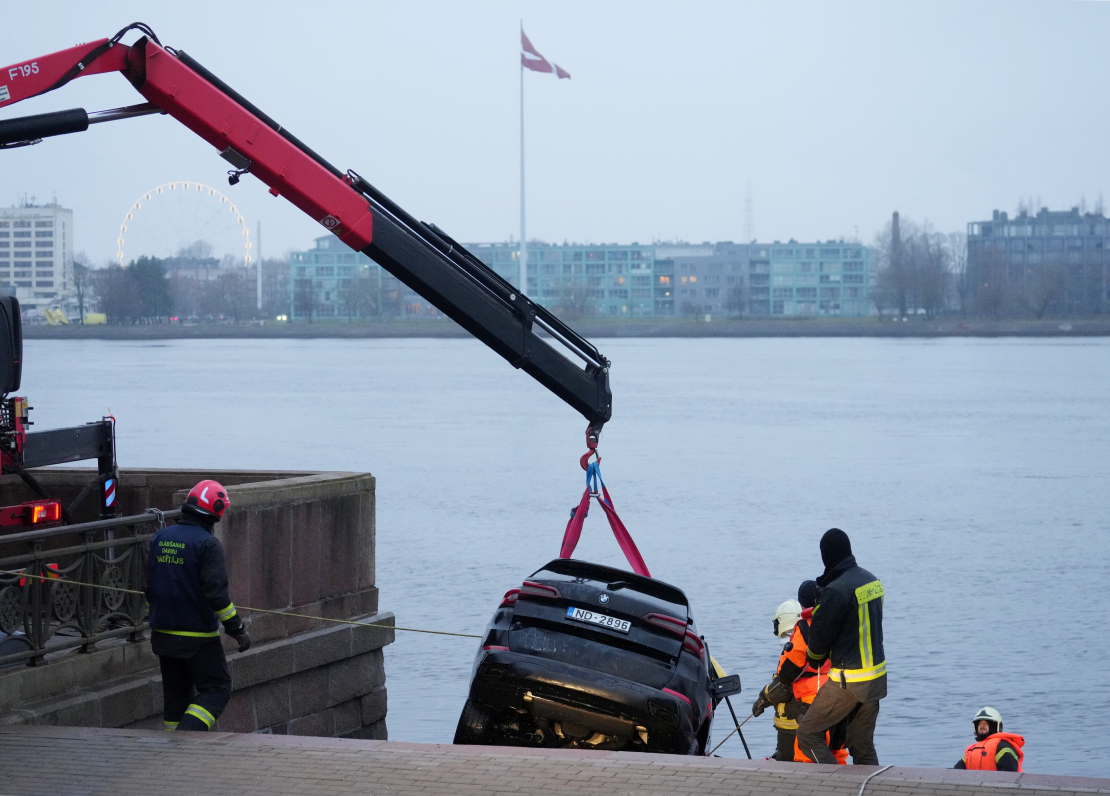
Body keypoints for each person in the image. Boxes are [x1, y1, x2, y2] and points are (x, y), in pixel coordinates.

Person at [146, 480, 250, 731]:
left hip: (162, 634)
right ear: (216, 511)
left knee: (176, 697)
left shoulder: (160, 537)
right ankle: (185, 738)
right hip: (197, 637)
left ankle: (173, 748)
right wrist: (237, 629)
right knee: (217, 688)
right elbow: (217, 596)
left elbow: (149, 586)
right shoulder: (207, 544)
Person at [794, 528, 886, 765]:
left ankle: (835, 783)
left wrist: (819, 616)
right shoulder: (872, 581)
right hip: (876, 679)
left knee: (808, 734)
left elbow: (816, 650)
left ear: (826, 556)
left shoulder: (835, 592)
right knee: (862, 747)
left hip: (848, 681)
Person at [753, 582, 847, 764]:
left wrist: (764, 697)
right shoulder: (834, 625)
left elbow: (785, 677)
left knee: (808, 754)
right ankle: (842, 783)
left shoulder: (802, 633)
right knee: (837, 750)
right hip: (840, 698)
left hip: (810, 707)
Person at [954, 707, 1024, 772]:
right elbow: (956, 772)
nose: (982, 726)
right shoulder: (970, 750)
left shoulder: (1003, 747)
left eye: (986, 723)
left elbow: (1010, 775)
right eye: (980, 723)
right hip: (977, 785)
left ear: (994, 726)